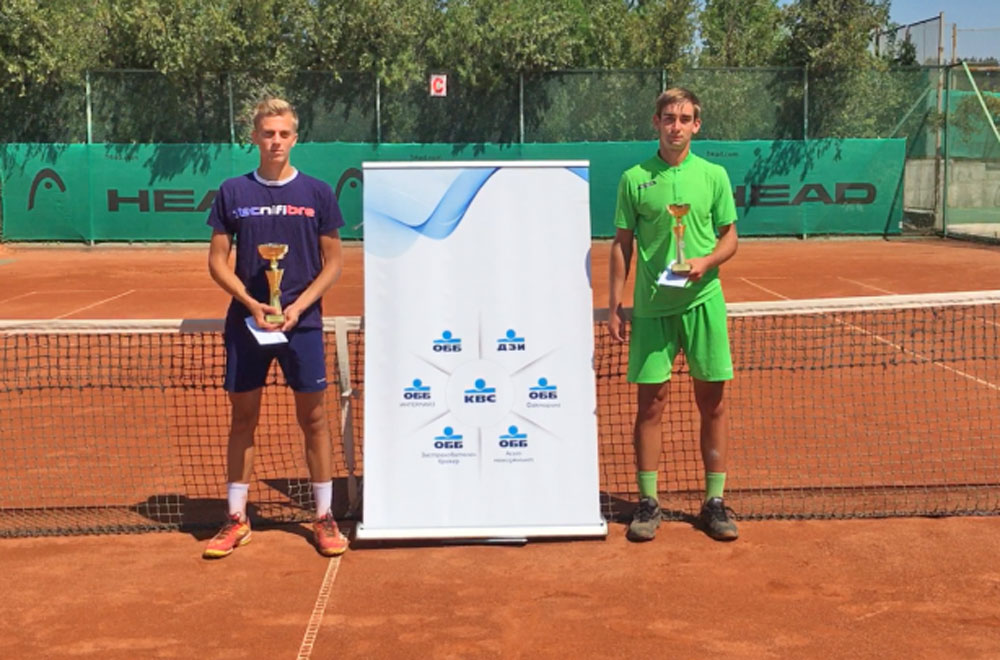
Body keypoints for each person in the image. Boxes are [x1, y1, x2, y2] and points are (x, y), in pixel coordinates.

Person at [203, 98, 348, 558]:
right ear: (254, 138)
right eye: (268, 133)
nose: (276, 141)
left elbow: (334, 262)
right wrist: (251, 303)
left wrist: (298, 307)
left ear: (295, 138)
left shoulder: (318, 193)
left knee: (315, 419)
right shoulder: (233, 192)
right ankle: (235, 518)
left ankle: (323, 517)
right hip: (246, 325)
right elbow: (216, 262)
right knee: (243, 419)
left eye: (284, 134)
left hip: (302, 325)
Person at [608, 87, 739, 542]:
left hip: (704, 302)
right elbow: (622, 244)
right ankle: (648, 502)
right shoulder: (633, 178)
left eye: (685, 119)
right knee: (651, 405)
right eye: (669, 118)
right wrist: (615, 302)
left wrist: (705, 262)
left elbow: (730, 237)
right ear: (656, 122)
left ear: (696, 125)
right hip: (652, 308)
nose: (676, 126)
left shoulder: (714, 175)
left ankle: (714, 502)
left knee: (713, 403)